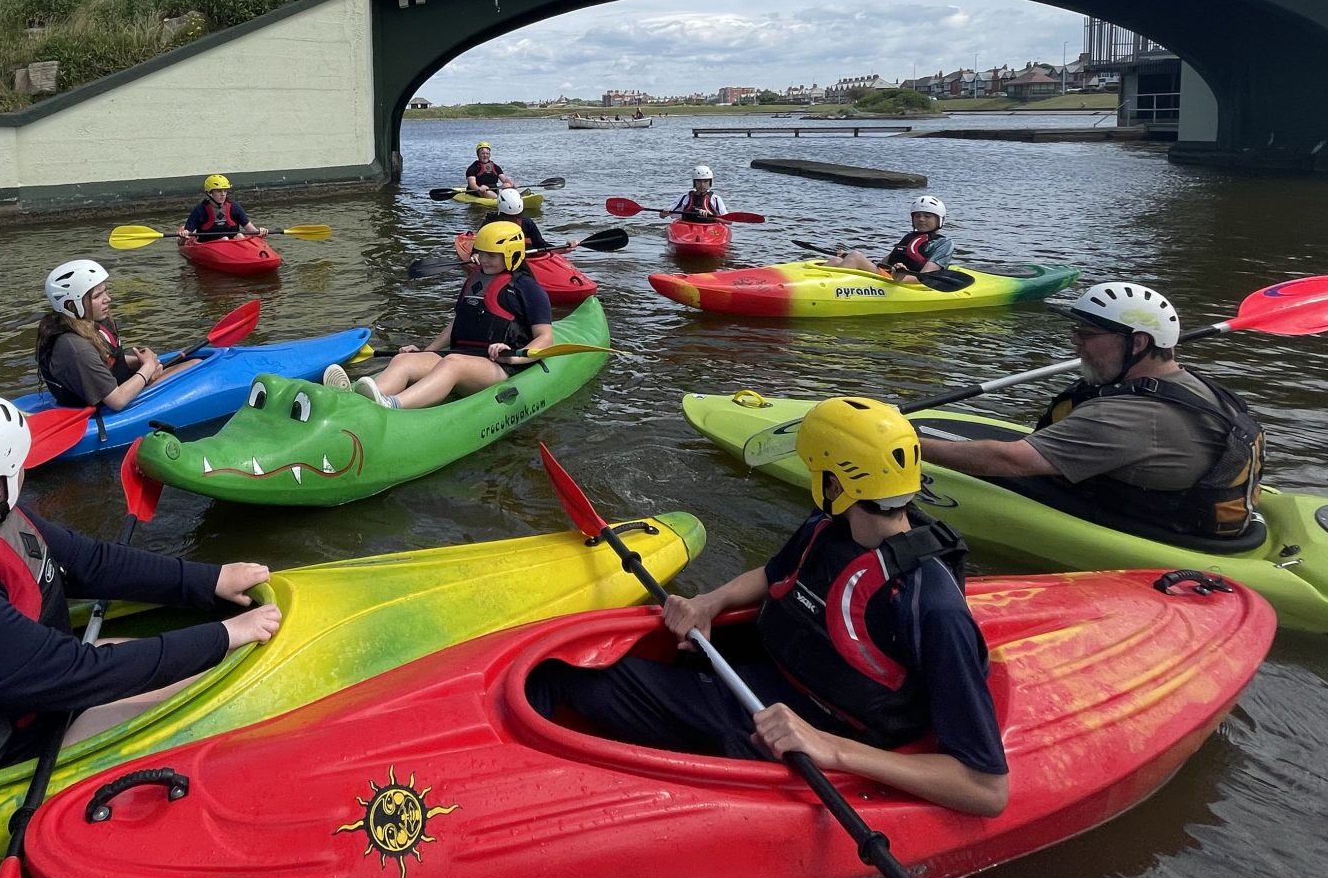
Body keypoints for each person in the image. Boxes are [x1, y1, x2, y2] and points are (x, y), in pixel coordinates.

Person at [526, 397, 1009, 816]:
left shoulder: (932, 606)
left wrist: (833, 750)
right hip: (745, 691)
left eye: (815, 471)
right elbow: (775, 575)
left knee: (572, 688)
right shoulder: (832, 525)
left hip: (808, 743)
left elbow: (986, 789)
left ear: (839, 483)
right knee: (557, 675)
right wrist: (708, 603)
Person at [0, 393, 282, 791]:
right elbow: (85, 673)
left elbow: (88, 562)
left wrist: (206, 581)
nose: (27, 472)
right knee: (181, 695)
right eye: (17, 467)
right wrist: (226, 635)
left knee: (144, 661)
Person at [920, 282, 1267, 541]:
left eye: (1087, 334)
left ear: (1139, 343)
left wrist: (909, 445)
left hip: (1165, 529)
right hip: (1185, 499)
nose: (1076, 342)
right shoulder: (1191, 383)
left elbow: (1012, 460)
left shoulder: (1124, 418)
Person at [323, 220, 554, 410]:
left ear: (511, 254)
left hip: (499, 364)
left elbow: (545, 338)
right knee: (404, 359)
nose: (483, 260)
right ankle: (355, 401)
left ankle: (392, 404)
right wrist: (426, 352)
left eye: (491, 255)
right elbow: (456, 324)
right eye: (481, 253)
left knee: (453, 363)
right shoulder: (475, 281)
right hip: (462, 354)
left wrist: (513, 357)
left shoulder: (528, 289)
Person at [35, 259, 195, 412]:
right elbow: (117, 401)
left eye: (105, 291)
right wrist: (147, 368)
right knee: (195, 365)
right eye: (97, 296)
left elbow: (105, 361)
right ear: (72, 305)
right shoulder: (75, 348)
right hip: (105, 407)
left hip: (114, 388)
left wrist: (139, 362)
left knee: (195, 362)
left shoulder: (90, 322)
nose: (108, 299)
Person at [840, 195, 952, 279]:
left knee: (855, 256)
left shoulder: (943, 243)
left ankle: (832, 290)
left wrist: (902, 274)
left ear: (939, 219)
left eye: (927, 216)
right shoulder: (910, 237)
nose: (921, 219)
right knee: (837, 260)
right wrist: (846, 256)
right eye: (917, 216)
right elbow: (884, 263)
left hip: (905, 280)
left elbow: (925, 276)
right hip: (889, 274)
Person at [177, 174, 266, 241]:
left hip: (234, 243)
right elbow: (186, 235)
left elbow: (251, 230)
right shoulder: (200, 210)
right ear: (209, 193)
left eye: (225, 191)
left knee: (240, 236)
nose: (223, 194)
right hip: (208, 243)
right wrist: (184, 235)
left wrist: (260, 232)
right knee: (225, 239)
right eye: (219, 191)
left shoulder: (234, 207)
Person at [492, 187, 574, 254]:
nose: (512, 219)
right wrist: (478, 254)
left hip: (526, 257)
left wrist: (564, 248)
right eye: (508, 217)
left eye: (514, 217)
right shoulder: (492, 221)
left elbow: (541, 245)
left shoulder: (526, 223)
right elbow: (480, 242)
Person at [661, 164, 727, 222]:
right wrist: (665, 212)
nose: (702, 185)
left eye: (705, 181)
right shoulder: (685, 198)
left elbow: (728, 221)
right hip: (687, 226)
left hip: (710, 227)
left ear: (710, 182)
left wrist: (711, 216)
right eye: (699, 181)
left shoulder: (715, 199)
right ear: (694, 182)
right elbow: (662, 215)